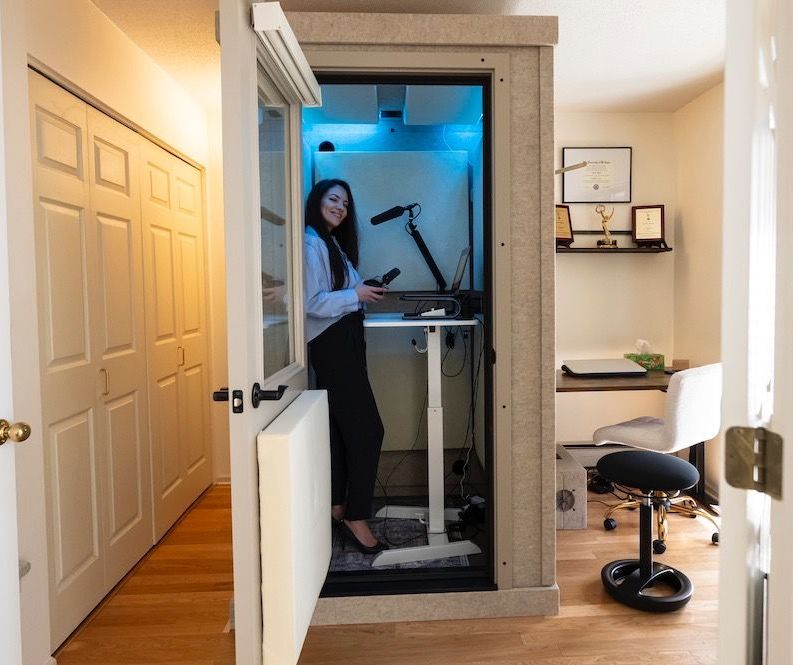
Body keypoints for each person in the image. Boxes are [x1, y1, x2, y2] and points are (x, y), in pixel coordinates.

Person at [304, 178, 388, 554]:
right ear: (317, 201)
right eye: (333, 199)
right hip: (332, 344)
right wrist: (355, 294)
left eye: (346, 203)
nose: (340, 207)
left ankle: (338, 506)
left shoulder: (331, 242)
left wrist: (361, 290)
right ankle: (357, 515)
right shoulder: (311, 242)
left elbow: (339, 293)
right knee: (369, 430)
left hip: (345, 342)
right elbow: (313, 302)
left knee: (340, 430)